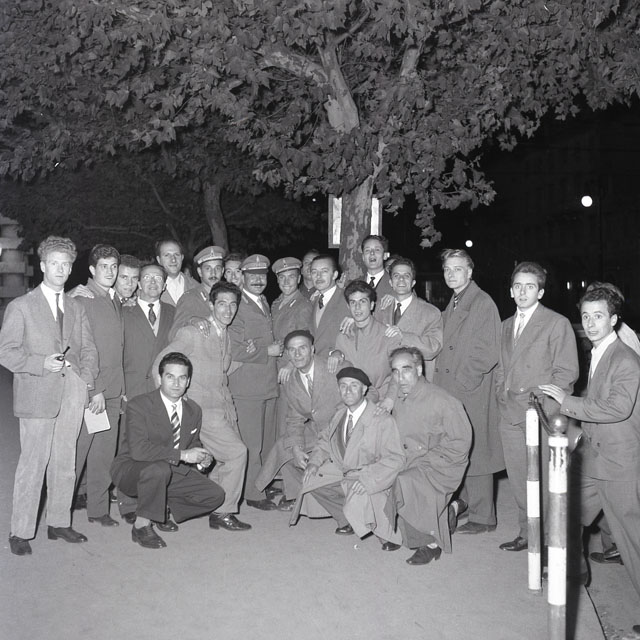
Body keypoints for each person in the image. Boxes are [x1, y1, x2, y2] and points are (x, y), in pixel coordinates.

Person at [540, 287, 640, 610]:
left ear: (614, 319)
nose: (591, 323)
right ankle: (574, 572)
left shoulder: (625, 359)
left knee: (633, 543)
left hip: (619, 464)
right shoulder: (599, 352)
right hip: (594, 458)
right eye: (586, 316)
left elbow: (617, 408)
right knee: (567, 514)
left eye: (599, 316)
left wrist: (567, 402)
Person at [0, 236, 99, 555]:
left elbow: (88, 348)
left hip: (72, 393)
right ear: (42, 266)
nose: (60, 269)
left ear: (71, 268)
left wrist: (85, 380)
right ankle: (20, 531)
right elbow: (6, 352)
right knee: (33, 464)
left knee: (65, 462)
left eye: (66, 264)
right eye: (54, 263)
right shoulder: (21, 306)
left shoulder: (76, 307)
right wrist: (39, 363)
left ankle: (58, 522)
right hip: (37, 393)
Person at [153, 282, 251, 531]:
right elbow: (160, 364)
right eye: (222, 304)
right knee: (237, 453)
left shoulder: (224, 333)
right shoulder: (194, 333)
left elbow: (220, 369)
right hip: (202, 410)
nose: (228, 310)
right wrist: (170, 401)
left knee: (218, 461)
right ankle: (223, 512)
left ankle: (215, 507)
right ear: (210, 304)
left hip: (223, 406)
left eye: (233, 305)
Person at [495, 262, 579, 552]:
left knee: (543, 479)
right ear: (510, 291)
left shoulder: (557, 323)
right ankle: (527, 532)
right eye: (517, 286)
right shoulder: (506, 325)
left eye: (530, 286)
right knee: (520, 479)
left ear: (540, 292)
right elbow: (501, 368)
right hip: (509, 412)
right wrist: (501, 393)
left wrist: (546, 410)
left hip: (539, 413)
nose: (522, 292)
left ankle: (548, 541)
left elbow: (566, 374)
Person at [110, 352, 225, 549]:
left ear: (188, 381)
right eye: (170, 377)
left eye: (182, 378)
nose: (176, 383)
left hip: (170, 469)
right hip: (133, 469)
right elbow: (139, 450)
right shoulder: (139, 405)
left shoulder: (193, 410)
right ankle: (141, 525)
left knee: (215, 495)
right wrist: (183, 455)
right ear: (159, 377)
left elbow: (193, 443)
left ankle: (159, 508)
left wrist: (201, 459)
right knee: (158, 469)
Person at [433, 249, 503, 535]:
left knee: (477, 450)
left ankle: (483, 517)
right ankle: (465, 504)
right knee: (460, 447)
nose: (451, 274)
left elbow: (489, 350)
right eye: (447, 269)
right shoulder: (457, 301)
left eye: (457, 269)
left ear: (470, 272)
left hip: (469, 390)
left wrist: (464, 381)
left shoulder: (482, 302)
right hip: (454, 389)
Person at [295, 367, 405, 548]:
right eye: (343, 386)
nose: (348, 390)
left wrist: (368, 478)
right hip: (345, 471)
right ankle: (346, 519)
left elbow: (396, 459)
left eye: (354, 385)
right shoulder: (339, 414)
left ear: (364, 389)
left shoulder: (382, 419)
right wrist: (314, 462)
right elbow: (325, 441)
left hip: (371, 475)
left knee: (363, 503)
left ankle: (384, 532)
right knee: (311, 480)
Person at [389, 347, 472, 565]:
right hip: (410, 459)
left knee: (405, 481)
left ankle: (431, 544)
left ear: (419, 369)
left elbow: (460, 443)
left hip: (440, 464)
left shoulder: (442, 401)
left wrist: (426, 461)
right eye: (395, 372)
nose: (400, 377)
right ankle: (445, 514)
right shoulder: (400, 397)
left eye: (406, 370)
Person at [256, 330, 343, 511]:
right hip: (318, 429)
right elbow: (294, 418)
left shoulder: (333, 368)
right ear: (287, 354)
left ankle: (331, 503)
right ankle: (298, 497)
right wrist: (296, 448)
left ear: (312, 349)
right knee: (286, 446)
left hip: (342, 430)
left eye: (302, 348)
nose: (297, 354)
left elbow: (365, 394)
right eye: (292, 350)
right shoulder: (291, 380)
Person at [119, 263, 175, 523]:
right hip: (131, 390)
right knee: (130, 448)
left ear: (164, 285)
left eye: (158, 278)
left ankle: (158, 506)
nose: (153, 282)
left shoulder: (173, 312)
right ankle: (129, 503)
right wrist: (120, 388)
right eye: (147, 278)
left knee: (162, 447)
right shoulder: (123, 311)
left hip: (162, 391)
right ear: (139, 283)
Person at [74, 245, 125, 528]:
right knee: (78, 454)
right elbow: (83, 349)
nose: (110, 271)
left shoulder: (112, 298)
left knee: (103, 456)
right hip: (95, 391)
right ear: (92, 269)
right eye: (104, 266)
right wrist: (95, 390)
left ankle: (98, 509)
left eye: (114, 266)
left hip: (113, 391)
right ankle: (58, 515)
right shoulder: (83, 300)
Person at [228, 254, 282, 510]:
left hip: (267, 383)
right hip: (247, 386)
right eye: (253, 276)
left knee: (266, 441)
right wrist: (265, 350)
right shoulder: (237, 305)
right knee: (251, 443)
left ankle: (261, 484)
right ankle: (253, 493)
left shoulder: (263, 301)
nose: (258, 280)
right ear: (243, 277)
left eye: (262, 275)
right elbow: (233, 348)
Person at [330, 280, 400, 401]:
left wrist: (389, 400)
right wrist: (335, 353)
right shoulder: (343, 336)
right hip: (350, 401)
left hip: (380, 402)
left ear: (372, 305)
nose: (357, 307)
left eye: (362, 301)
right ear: (348, 306)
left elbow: (397, 374)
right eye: (353, 302)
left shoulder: (388, 336)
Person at [375, 258, 442, 381]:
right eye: (396, 276)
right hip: (385, 383)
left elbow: (433, 348)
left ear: (413, 282)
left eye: (406, 276)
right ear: (390, 282)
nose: (401, 279)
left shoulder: (430, 312)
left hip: (415, 383)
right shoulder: (380, 309)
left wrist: (403, 336)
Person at [270, 257, 313, 439]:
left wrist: (291, 364)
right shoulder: (276, 303)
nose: (286, 281)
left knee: (288, 424)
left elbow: (304, 340)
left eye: (291, 277)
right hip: (275, 370)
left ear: (299, 279)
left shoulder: (303, 305)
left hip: (290, 371)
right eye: (282, 277)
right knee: (277, 422)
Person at [169, 245, 226, 340]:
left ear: (223, 271)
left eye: (217, 268)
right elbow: (173, 335)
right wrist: (191, 321)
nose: (213, 273)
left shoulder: (227, 297)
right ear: (199, 272)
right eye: (208, 268)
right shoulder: (190, 299)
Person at [310, 254, 350, 359]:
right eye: (314, 272)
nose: (318, 276)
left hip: (338, 363)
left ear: (334, 275)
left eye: (324, 271)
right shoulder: (312, 301)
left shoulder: (348, 300)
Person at [155, 238, 197, 306]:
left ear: (182, 257)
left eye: (177, 255)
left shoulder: (196, 287)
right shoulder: (148, 288)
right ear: (159, 260)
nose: (173, 260)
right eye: (167, 255)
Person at [361, 235, 394, 300]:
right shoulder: (354, 285)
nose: (372, 253)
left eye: (377, 250)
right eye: (367, 250)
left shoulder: (396, 284)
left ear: (385, 255)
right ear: (363, 257)